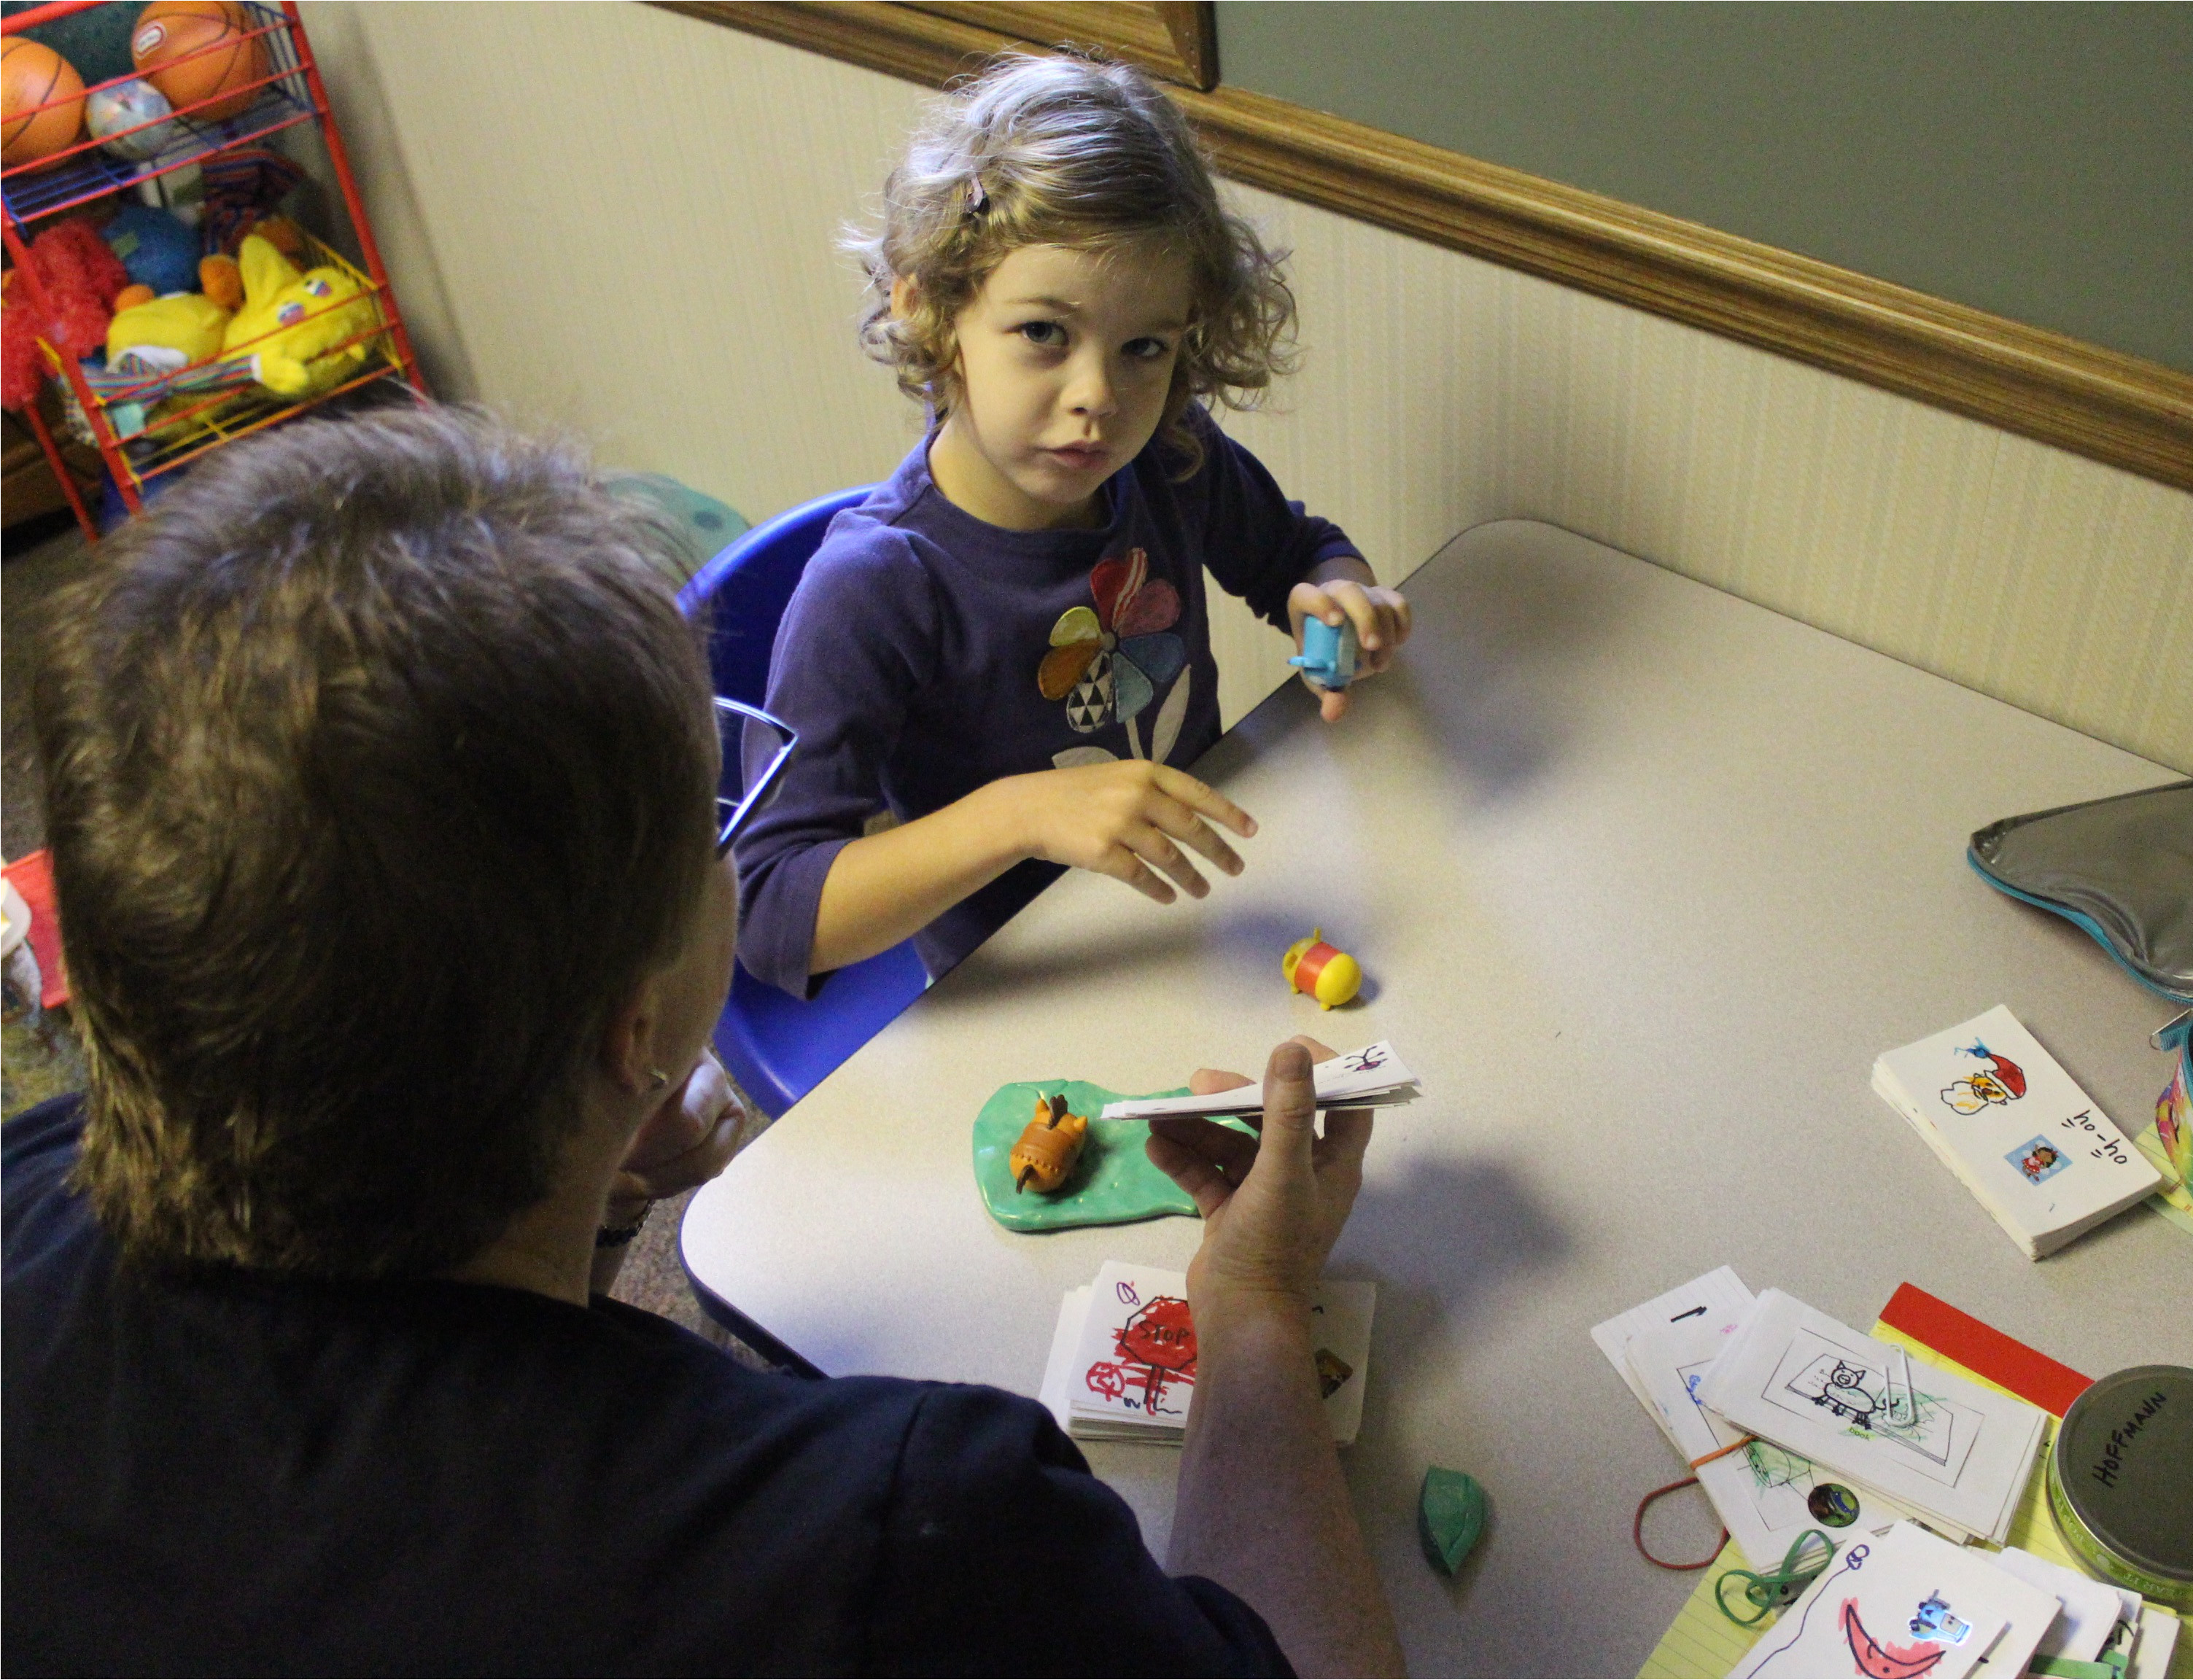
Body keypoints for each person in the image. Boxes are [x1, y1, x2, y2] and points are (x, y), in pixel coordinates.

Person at [2, 405, 1405, 1677]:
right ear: (636, 1028)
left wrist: (589, 1181)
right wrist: (1257, 1305)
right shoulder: (917, 1537)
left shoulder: (32, 1176)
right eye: (709, 819)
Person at [735, 52, 1413, 998]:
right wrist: (1020, 816)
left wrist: (1339, 597)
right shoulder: (877, 588)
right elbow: (770, 911)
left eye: (1144, 348)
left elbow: (1299, 553)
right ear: (930, 310)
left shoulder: (1172, 458)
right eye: (1045, 334)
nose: (1099, 398)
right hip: (1036, 985)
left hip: (1201, 916)